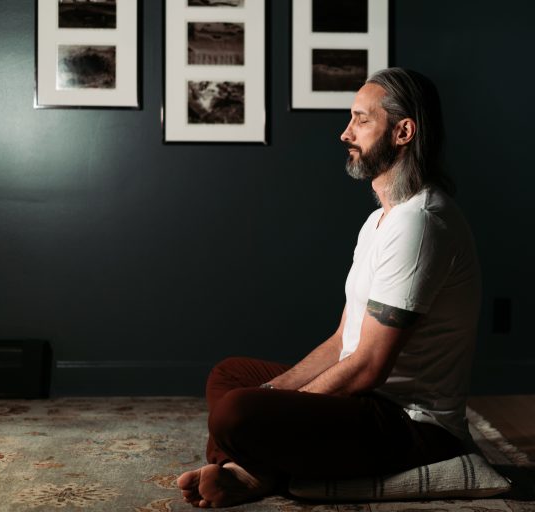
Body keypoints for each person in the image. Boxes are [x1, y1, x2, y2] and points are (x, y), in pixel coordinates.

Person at [176, 67, 482, 508]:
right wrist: (275, 396)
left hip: (412, 424)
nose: (345, 133)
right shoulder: (380, 221)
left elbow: (369, 365)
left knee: (234, 413)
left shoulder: (421, 223)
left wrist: (286, 408)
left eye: (361, 120)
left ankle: (250, 468)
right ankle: (251, 468)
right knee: (231, 376)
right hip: (365, 401)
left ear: (403, 132)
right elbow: (343, 341)